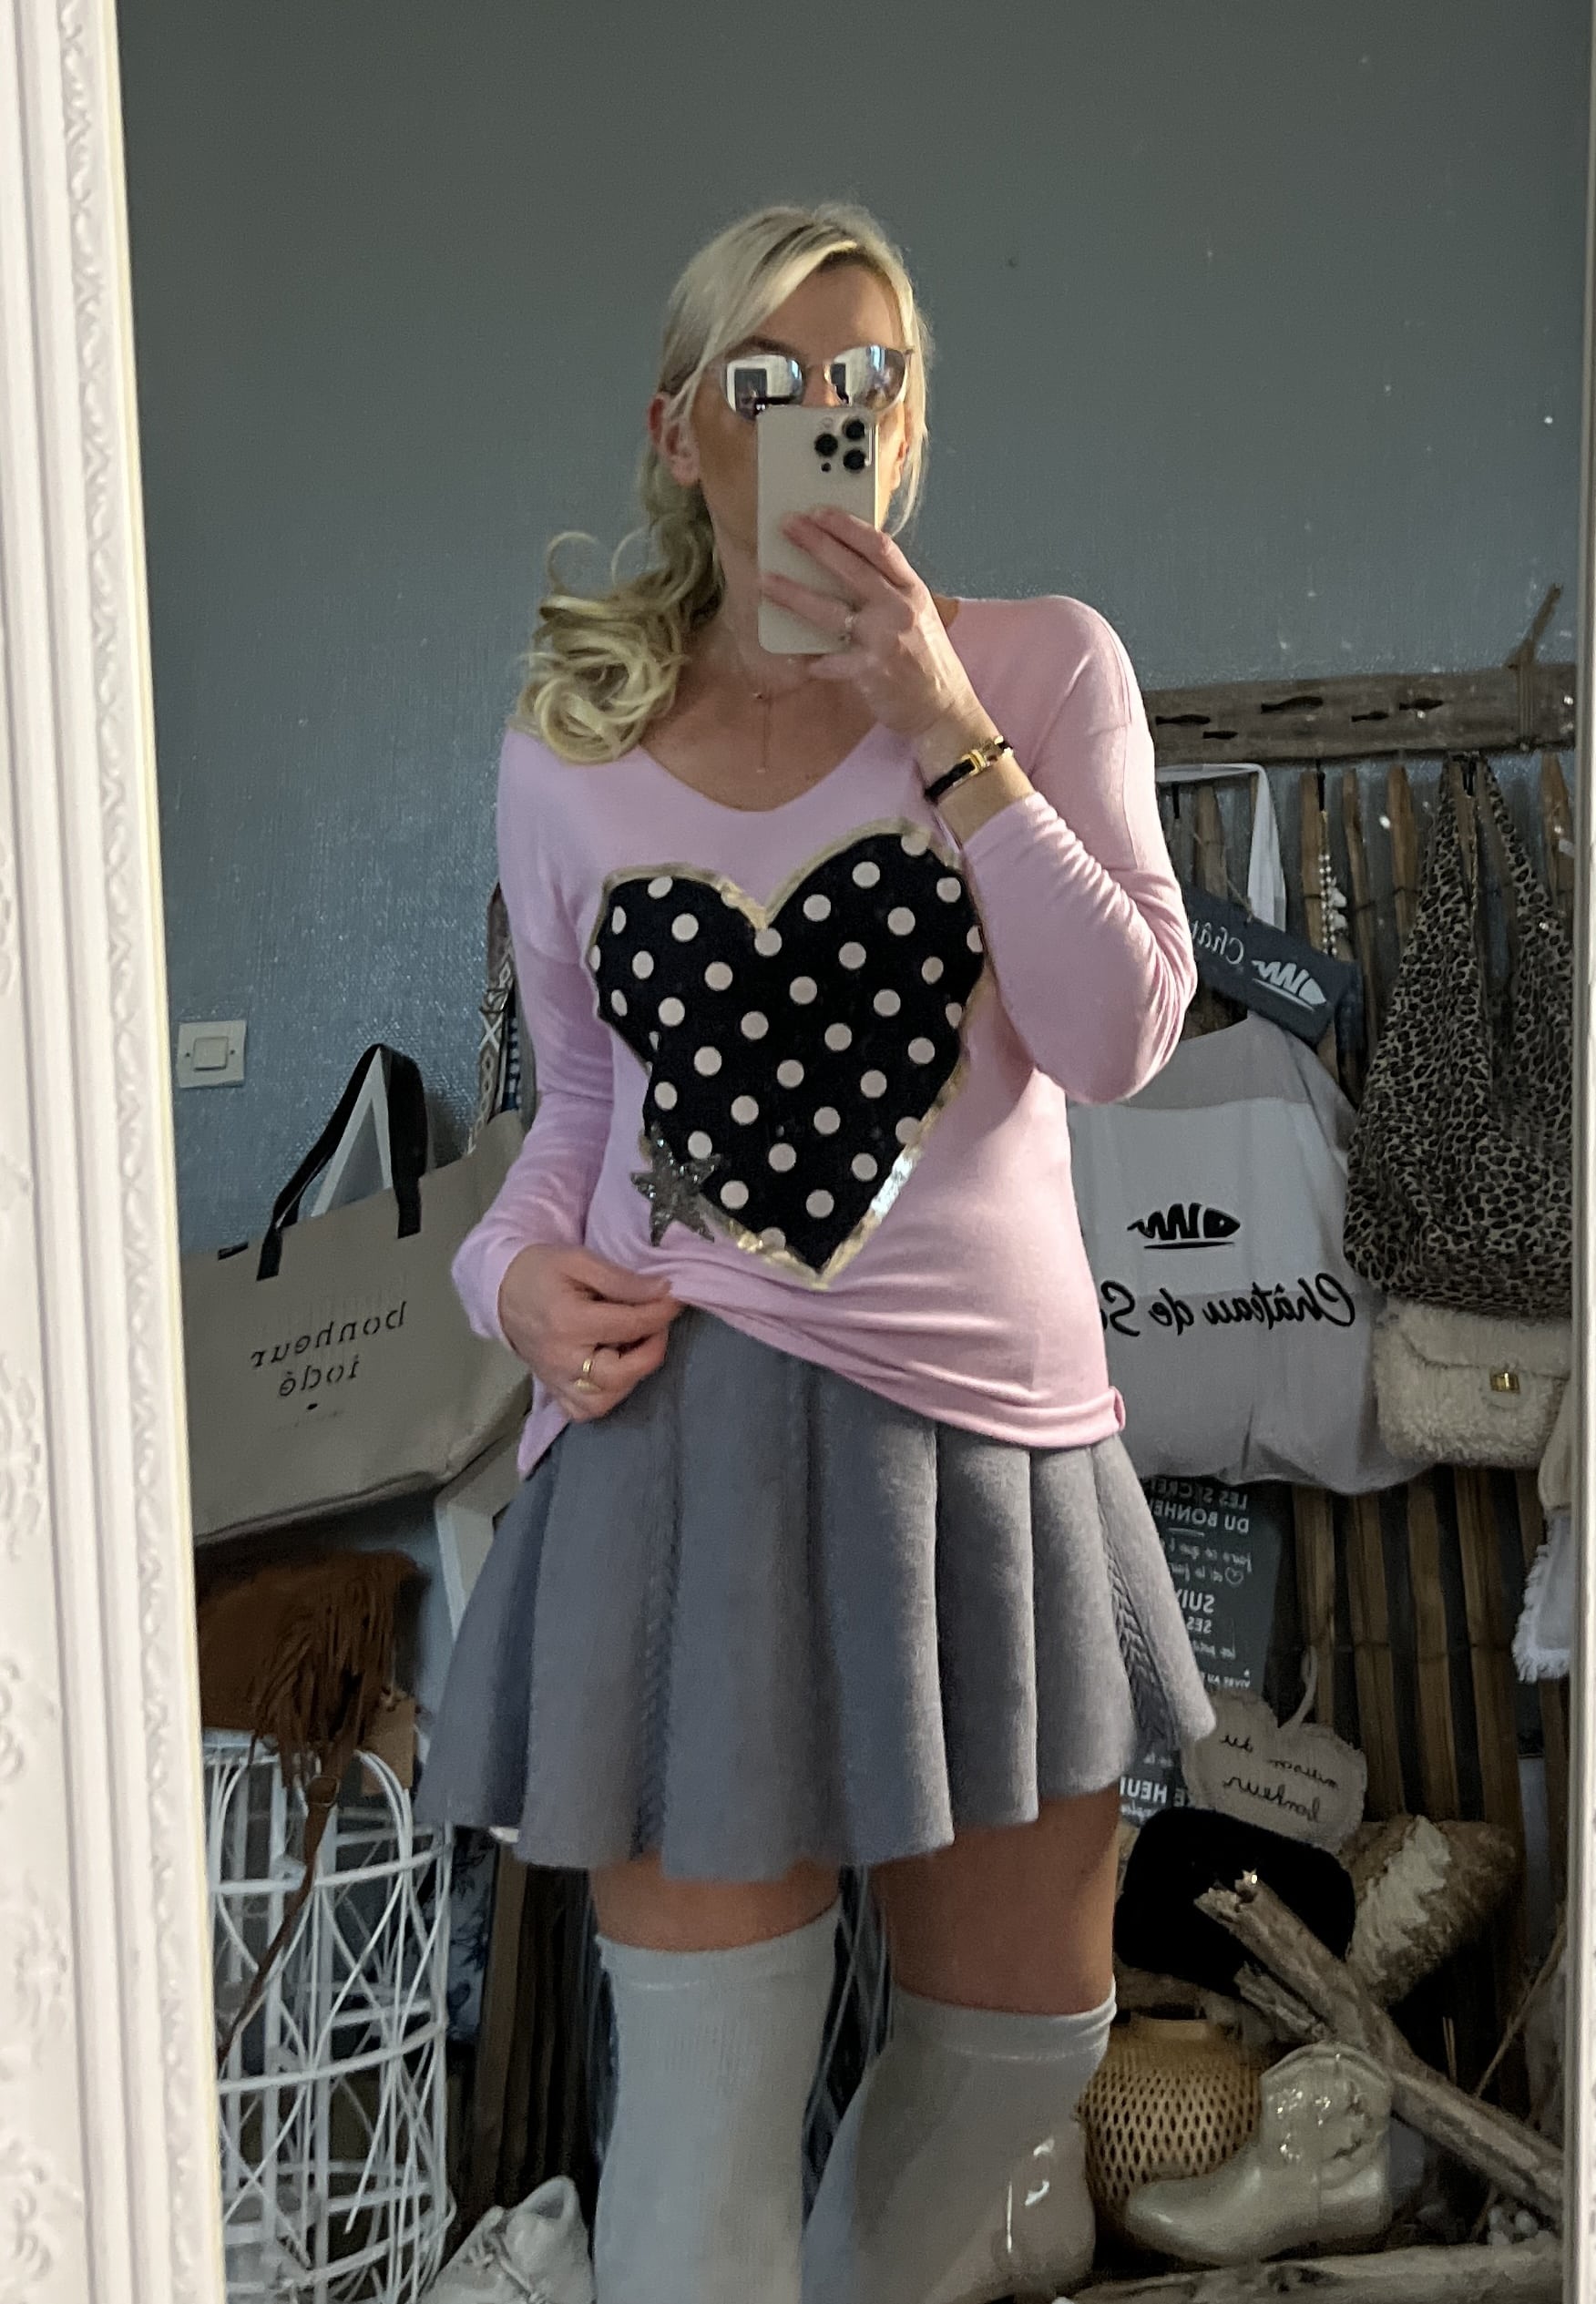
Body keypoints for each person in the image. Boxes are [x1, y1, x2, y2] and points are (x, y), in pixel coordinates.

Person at [419, 199, 1213, 2304]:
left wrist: (944, 721)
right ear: (678, 432)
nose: (823, 418)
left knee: (1019, 2053)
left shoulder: (1041, 665)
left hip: (998, 1455)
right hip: (685, 1449)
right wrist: (500, 1283)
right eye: (768, 384)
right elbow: (573, 1123)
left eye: (867, 380)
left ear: (913, 421)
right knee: (699, 2120)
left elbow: (1118, 1034)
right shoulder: (570, 742)